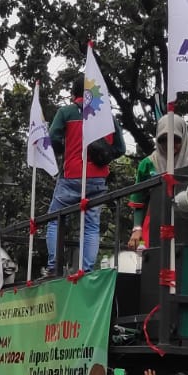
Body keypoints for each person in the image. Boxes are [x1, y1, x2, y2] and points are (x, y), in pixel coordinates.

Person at [45, 91, 125, 274]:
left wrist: (65, 149)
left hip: (71, 175)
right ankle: (86, 270)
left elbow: (53, 138)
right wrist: (103, 158)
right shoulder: (108, 117)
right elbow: (120, 148)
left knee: (55, 220)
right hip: (97, 180)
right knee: (91, 225)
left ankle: (53, 266)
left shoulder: (66, 112)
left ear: (74, 94)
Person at [127, 112, 188, 250]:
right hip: (155, 221)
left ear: (183, 137)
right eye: (164, 139)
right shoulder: (148, 164)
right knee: (151, 262)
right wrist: (137, 229)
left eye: (175, 139)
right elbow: (138, 200)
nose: (169, 145)